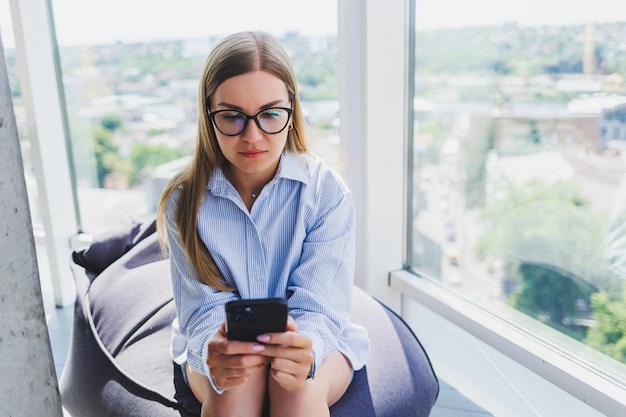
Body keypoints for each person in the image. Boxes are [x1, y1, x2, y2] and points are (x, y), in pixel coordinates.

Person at [156, 30, 370, 417]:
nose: (252, 136)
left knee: (296, 392)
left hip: (311, 338)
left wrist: (301, 351)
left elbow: (319, 309)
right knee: (234, 389)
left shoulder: (325, 193)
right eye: (232, 117)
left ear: (291, 112)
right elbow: (203, 311)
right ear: (209, 117)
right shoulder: (184, 202)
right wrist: (215, 352)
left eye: (270, 113)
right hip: (217, 345)